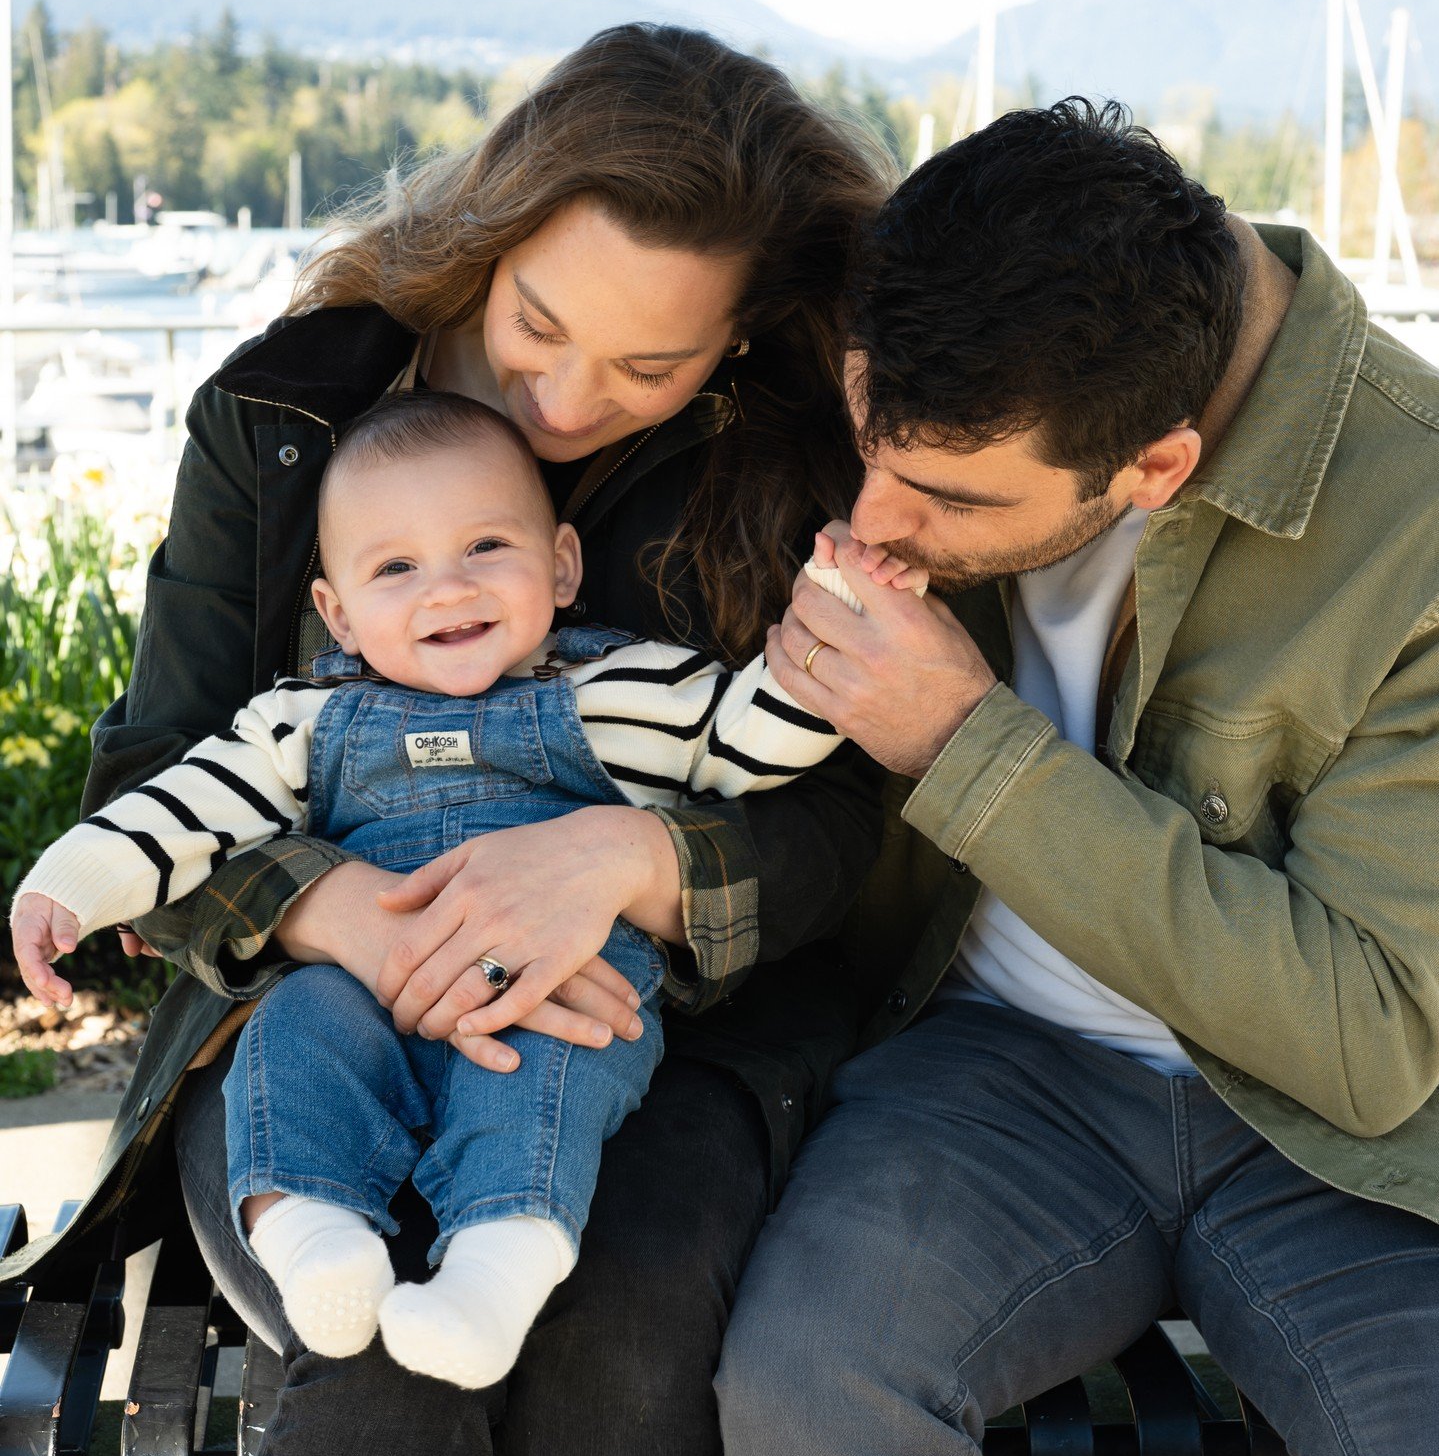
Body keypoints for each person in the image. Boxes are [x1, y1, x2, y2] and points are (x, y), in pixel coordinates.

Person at [0, 23, 892, 1456]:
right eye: (533, 330)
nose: (561, 404)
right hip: (306, 1012)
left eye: (642, 370)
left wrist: (631, 861)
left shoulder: (775, 457)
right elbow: (158, 782)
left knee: (626, 1313)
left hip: (661, 1021)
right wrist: (324, 909)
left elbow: (843, 814)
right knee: (369, 1338)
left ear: (729, 349)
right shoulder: (281, 415)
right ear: (484, 237)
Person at [718, 98, 1439, 1456]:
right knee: (805, 1393)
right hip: (993, 1071)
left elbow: (1367, 1035)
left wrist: (961, 748)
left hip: (1338, 1147)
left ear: (1155, 466)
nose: (875, 527)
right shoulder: (972, 302)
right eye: (867, 456)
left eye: (948, 503)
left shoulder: (1419, 518)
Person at [13, 391, 910, 1388]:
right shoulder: (301, 719)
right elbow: (185, 807)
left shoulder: (624, 688)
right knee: (290, 1032)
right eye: (395, 566)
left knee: (554, 1061)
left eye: (486, 546)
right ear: (337, 613)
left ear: (560, 564)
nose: (446, 589)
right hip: (363, 978)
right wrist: (71, 885)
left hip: (551, 977)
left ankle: (496, 1269)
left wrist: (842, 608)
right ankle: (312, 1236)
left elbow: (751, 741)